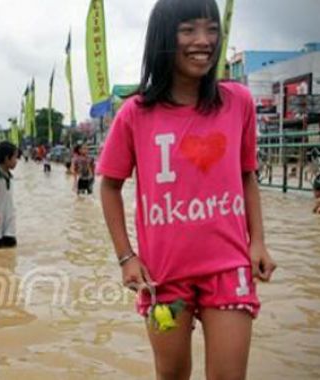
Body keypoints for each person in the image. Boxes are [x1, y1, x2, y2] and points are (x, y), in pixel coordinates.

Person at [97, 1, 276, 379]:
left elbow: (247, 175)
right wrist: (126, 257)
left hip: (229, 268)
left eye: (211, 29)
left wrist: (257, 240)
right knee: (172, 374)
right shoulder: (135, 113)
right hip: (163, 276)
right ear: (165, 37)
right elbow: (110, 186)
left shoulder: (238, 102)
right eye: (189, 30)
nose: (204, 41)